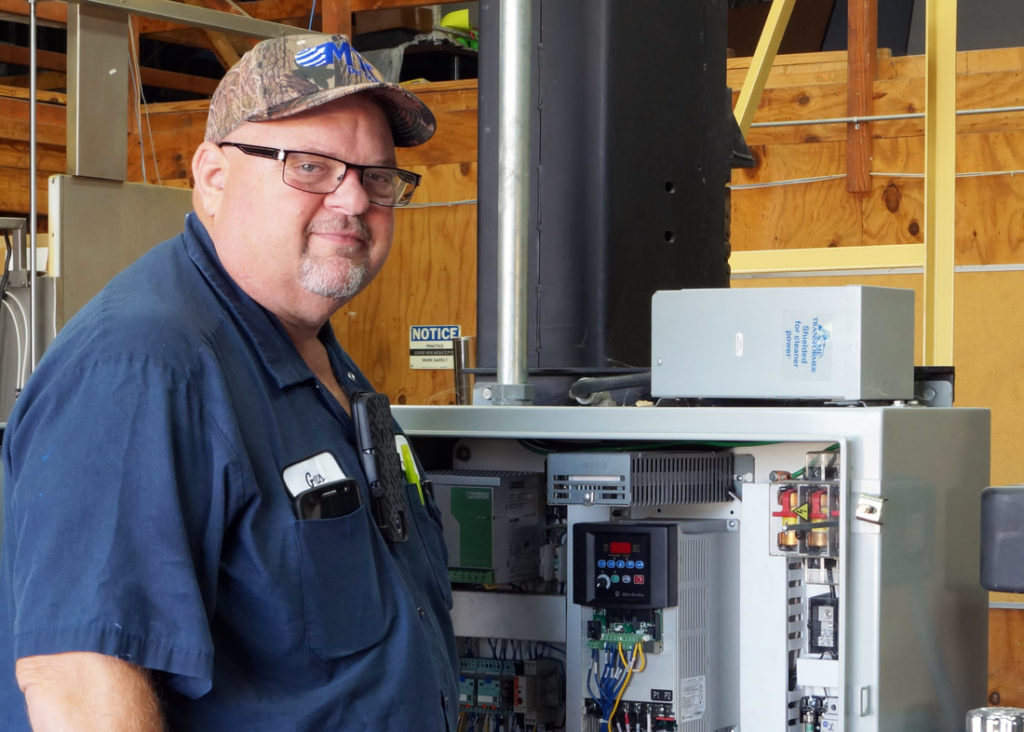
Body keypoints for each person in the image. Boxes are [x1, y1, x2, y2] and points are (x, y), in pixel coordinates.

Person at [0, 33, 458, 730]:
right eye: (310, 166)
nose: (353, 200)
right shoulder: (145, 367)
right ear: (213, 177)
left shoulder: (317, 360)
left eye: (376, 176)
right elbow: (78, 683)